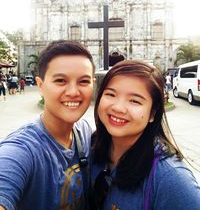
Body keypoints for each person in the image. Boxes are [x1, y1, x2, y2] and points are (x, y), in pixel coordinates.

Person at [90, 60, 200, 210]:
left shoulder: (170, 179)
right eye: (111, 94)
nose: (118, 107)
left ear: (152, 114)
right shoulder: (91, 147)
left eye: (134, 101)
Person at [0, 40, 95, 210]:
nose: (73, 92)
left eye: (83, 81)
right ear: (41, 86)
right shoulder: (23, 149)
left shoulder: (85, 131)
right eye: (60, 80)